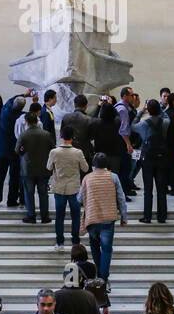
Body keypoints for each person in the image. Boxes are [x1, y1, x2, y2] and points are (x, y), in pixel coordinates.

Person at [78, 151, 128, 284]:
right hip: (108, 219)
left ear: (93, 165)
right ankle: (103, 279)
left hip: (92, 219)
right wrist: (124, 216)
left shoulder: (87, 178)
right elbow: (121, 198)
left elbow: (79, 199)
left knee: (94, 246)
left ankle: (100, 275)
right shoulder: (114, 177)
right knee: (106, 249)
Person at [47, 124, 88, 252]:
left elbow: (48, 167)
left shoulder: (54, 152)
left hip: (59, 187)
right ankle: (75, 241)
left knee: (59, 216)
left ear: (61, 136)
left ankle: (60, 242)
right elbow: (85, 168)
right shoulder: (78, 152)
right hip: (74, 188)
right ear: (73, 137)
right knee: (75, 215)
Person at [133, 98, 170, 223]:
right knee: (161, 189)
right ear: (159, 110)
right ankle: (162, 216)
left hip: (147, 158)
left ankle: (147, 216)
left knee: (148, 189)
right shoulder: (165, 122)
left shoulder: (143, 124)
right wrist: (161, 110)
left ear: (148, 110)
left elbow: (132, 126)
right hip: (162, 158)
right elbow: (167, 117)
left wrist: (140, 112)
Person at [17, 109, 53, 224]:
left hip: (28, 168)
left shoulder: (24, 134)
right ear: (37, 120)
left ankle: (31, 216)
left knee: (29, 193)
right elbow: (53, 149)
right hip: (43, 168)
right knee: (43, 193)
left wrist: (24, 152)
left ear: (27, 122)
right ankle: (45, 216)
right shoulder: (46, 134)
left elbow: (17, 150)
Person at [0, 94, 25, 206]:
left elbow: (10, 100)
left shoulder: (5, 111)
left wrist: (25, 94)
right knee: (14, 178)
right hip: (14, 151)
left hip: (2, 149)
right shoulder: (22, 116)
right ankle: (11, 200)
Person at [88, 100, 124, 176]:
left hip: (100, 154)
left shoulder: (97, 123)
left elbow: (92, 119)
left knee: (99, 177)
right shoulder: (117, 122)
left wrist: (98, 106)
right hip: (115, 154)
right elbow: (118, 115)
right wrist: (111, 105)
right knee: (113, 177)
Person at [59, 94, 93, 165]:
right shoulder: (89, 120)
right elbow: (91, 137)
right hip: (84, 153)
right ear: (86, 106)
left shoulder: (66, 117)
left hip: (68, 152)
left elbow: (62, 134)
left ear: (74, 105)